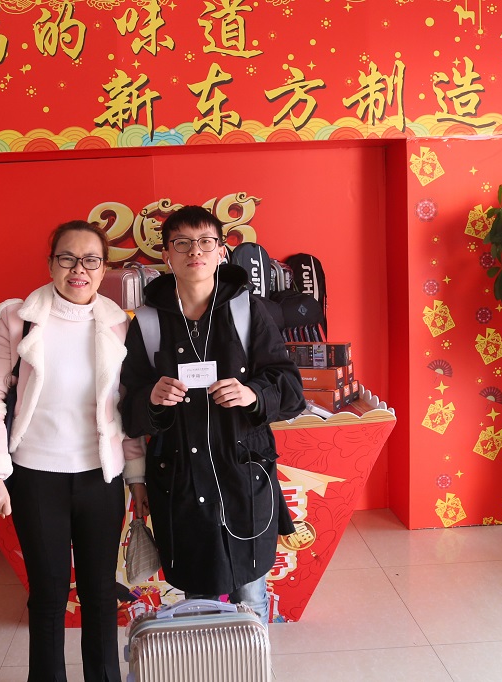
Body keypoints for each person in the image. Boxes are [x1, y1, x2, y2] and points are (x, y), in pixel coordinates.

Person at [0, 220, 145, 682]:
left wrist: (136, 476)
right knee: (47, 595)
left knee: (100, 593)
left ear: (104, 268)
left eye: (91, 260)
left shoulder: (119, 324)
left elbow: (124, 408)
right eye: (67, 258)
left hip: (100, 478)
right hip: (36, 476)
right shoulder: (17, 316)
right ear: (50, 264)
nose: (78, 269)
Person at [119, 205, 305, 627]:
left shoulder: (248, 311)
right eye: (182, 243)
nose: (195, 252)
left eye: (205, 242)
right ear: (166, 255)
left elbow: (291, 389)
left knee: (251, 596)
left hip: (244, 476)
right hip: (181, 481)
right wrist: (151, 399)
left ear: (221, 251)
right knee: (197, 602)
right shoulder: (146, 323)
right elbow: (128, 412)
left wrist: (252, 393)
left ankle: (252, 659)